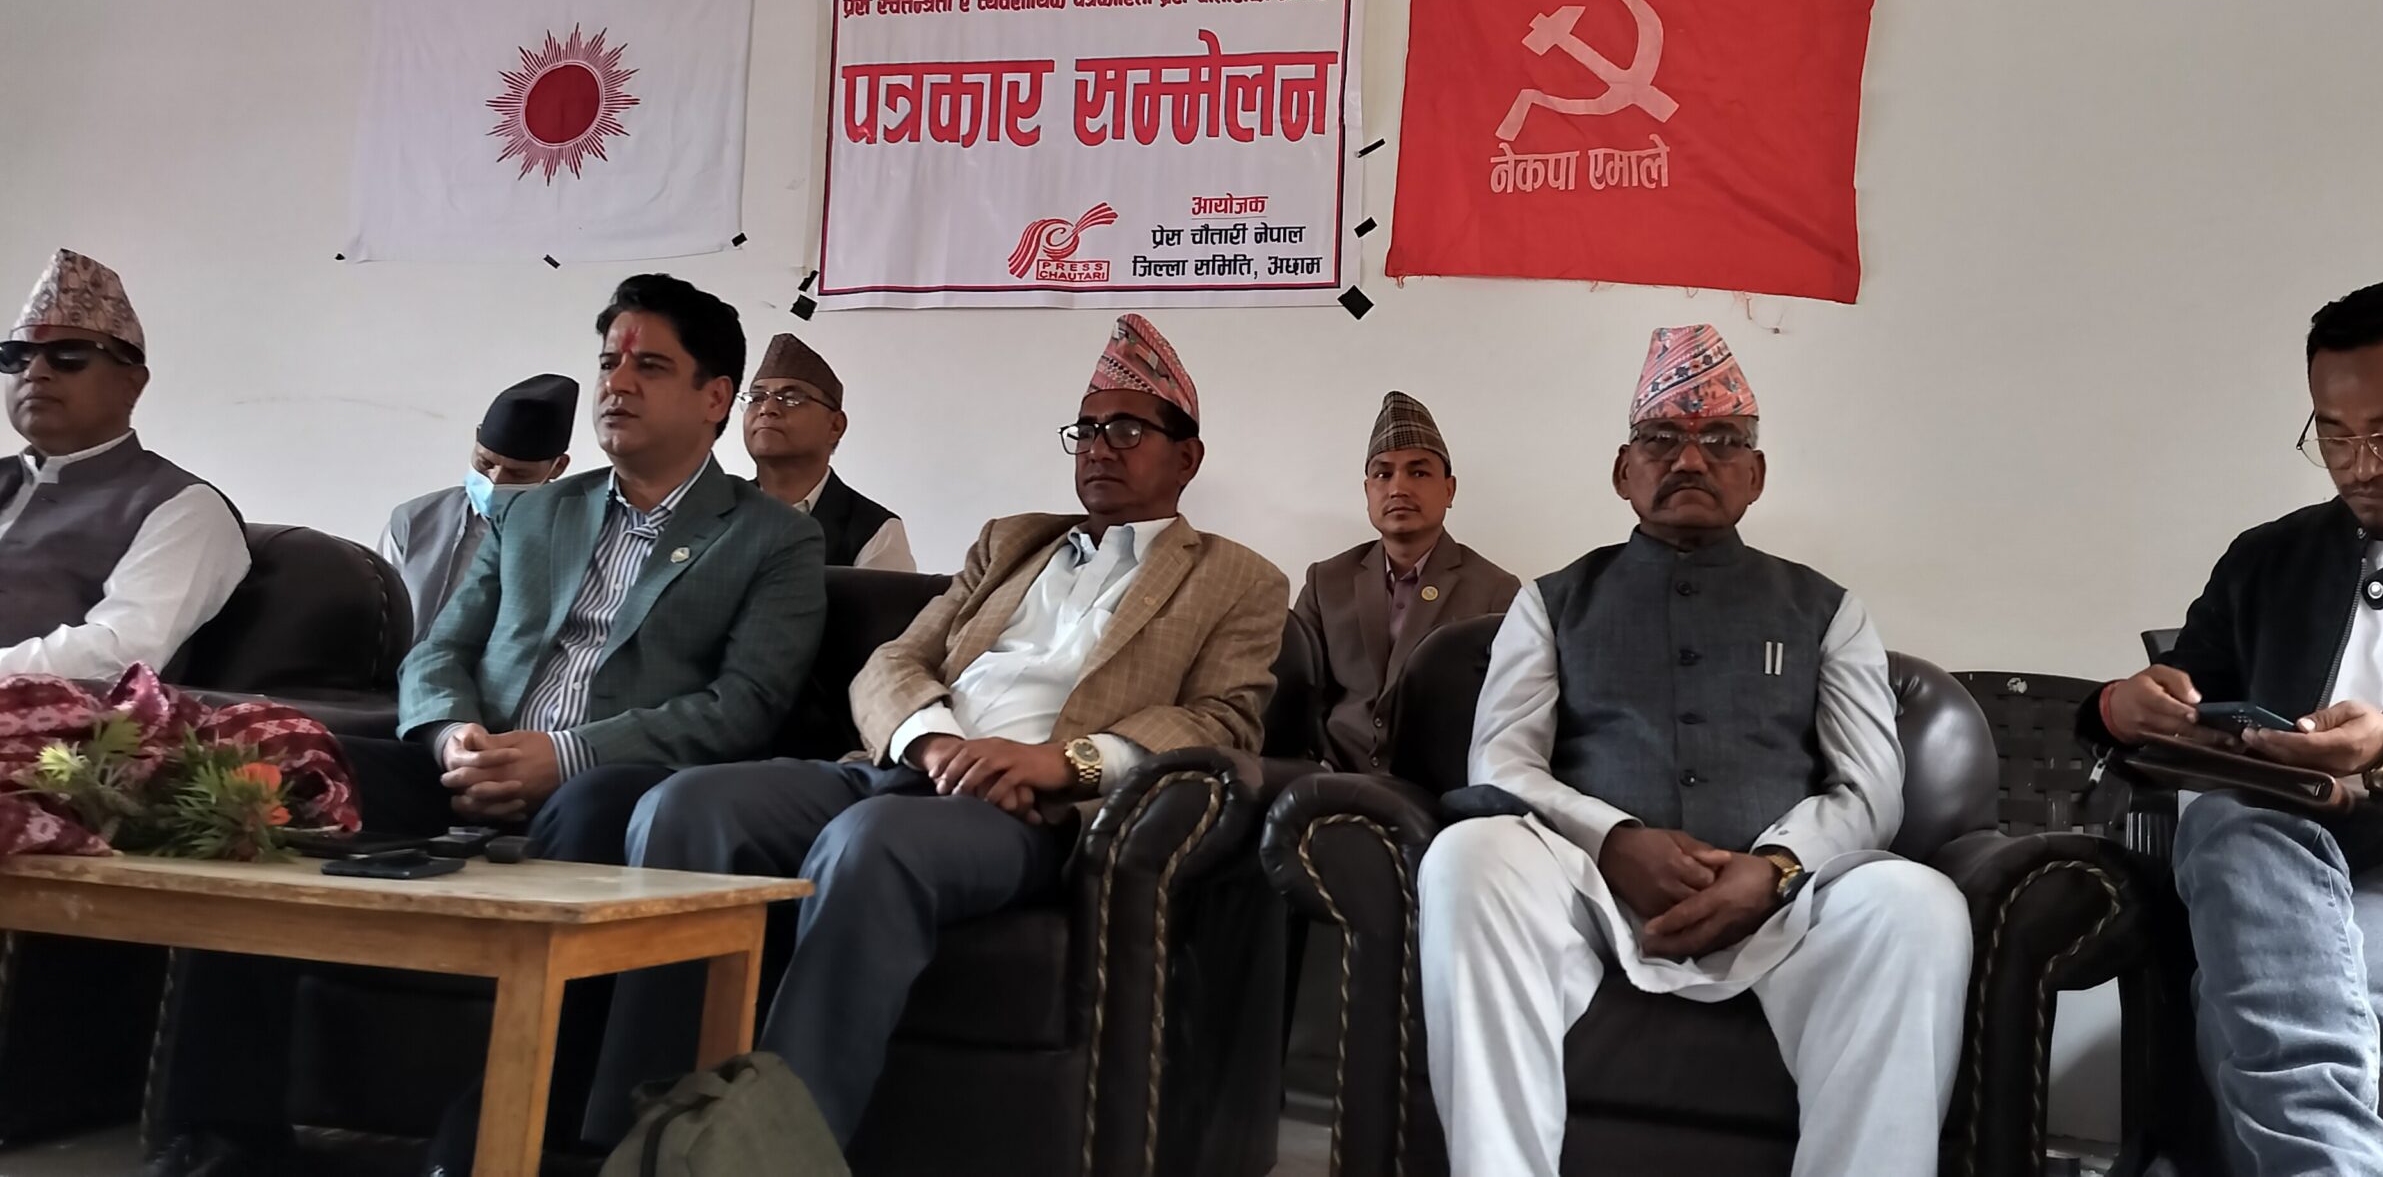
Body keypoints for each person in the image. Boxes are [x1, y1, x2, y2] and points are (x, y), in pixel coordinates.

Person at [149, 274, 827, 1177]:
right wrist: (452, 737)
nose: (617, 385)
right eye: (609, 363)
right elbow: (439, 651)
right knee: (276, 779)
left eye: (651, 367)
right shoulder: (532, 512)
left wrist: (566, 756)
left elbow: (744, 705)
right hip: (464, 764)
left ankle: (481, 1151)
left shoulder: (771, 539)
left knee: (597, 810)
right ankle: (221, 1136)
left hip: (609, 783)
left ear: (714, 399)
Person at [585, 312, 1286, 1148]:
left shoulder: (1239, 579)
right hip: (904, 764)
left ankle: (766, 1155)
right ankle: (633, 1139)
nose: (1100, 448)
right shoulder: (1012, 542)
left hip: (1024, 813)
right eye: (1088, 430)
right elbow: (894, 661)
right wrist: (933, 740)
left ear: (1187, 457)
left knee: (871, 844)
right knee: (681, 808)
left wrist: (1061, 763)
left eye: (1127, 430)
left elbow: (1222, 720)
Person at [1417, 324, 1969, 1177]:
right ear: (1623, 471)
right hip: (1588, 895)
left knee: (1918, 904)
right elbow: (1502, 763)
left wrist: (1775, 868)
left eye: (1722, 441)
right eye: (1660, 439)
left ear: (1756, 474)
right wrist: (1612, 841)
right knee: (1468, 857)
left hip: (1787, 907)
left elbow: (1869, 791)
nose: (1689, 460)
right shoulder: (1551, 603)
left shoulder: (1829, 610)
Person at [2086, 280, 2383, 1176]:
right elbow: (2183, 719)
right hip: (2289, 879)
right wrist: (2122, 708)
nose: (2359, 466)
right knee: (2229, 821)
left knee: (2249, 991)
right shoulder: (2271, 560)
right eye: (2333, 436)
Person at [0, 248, 249, 680]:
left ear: (131, 384)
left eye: (70, 355)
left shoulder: (184, 507)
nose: (35, 371)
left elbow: (119, 654)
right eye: (15, 356)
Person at [1295, 390, 1518, 771]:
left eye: (1418, 472)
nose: (1398, 488)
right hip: (1331, 782)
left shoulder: (1495, 590)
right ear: (1367, 490)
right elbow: (1298, 697)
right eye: (1383, 474)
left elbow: (1505, 715)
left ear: (1449, 490)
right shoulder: (1326, 581)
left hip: (1438, 788)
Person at [378, 373, 578, 642]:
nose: (495, 481)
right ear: (476, 439)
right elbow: (379, 619)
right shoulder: (413, 522)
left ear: (558, 467)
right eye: (485, 463)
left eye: (518, 474)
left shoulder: (573, 540)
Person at [741, 332, 914, 570]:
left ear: (835, 426)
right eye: (757, 397)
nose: (767, 408)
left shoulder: (875, 532)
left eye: (791, 398)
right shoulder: (715, 511)